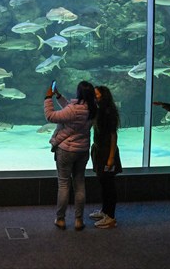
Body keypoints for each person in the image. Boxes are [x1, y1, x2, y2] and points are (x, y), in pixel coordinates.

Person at [44, 80, 97, 231]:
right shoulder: (93, 109)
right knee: (79, 184)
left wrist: (48, 98)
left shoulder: (74, 109)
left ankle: (60, 219)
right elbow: (70, 109)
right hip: (82, 151)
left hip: (67, 151)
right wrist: (59, 96)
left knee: (64, 184)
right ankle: (79, 220)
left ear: (79, 93)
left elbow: (51, 116)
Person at [89, 86, 122, 229]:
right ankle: (105, 211)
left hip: (107, 152)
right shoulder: (100, 110)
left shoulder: (108, 112)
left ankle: (111, 217)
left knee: (109, 185)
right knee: (103, 183)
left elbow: (113, 135)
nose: (94, 96)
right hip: (99, 150)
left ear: (103, 96)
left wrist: (111, 157)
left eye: (96, 94)